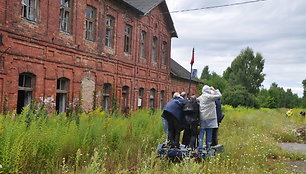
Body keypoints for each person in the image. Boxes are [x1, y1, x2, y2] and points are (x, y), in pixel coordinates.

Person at [197, 85, 222, 155]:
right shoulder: (210, 97)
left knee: (201, 133)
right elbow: (219, 96)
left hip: (202, 118)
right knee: (209, 134)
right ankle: (208, 148)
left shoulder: (200, 97)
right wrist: (214, 90)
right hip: (210, 118)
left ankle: (200, 148)